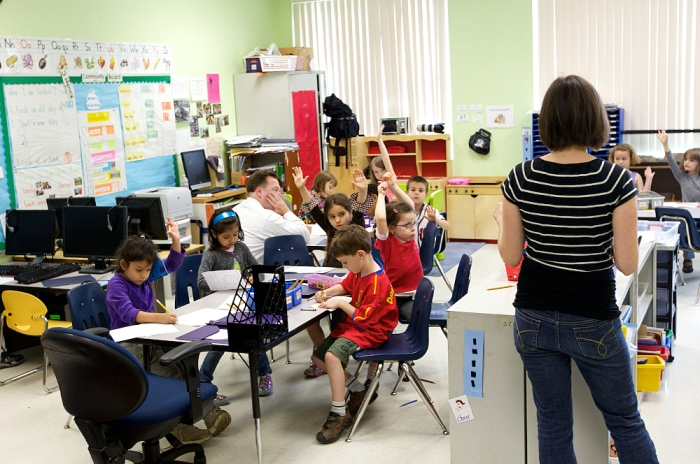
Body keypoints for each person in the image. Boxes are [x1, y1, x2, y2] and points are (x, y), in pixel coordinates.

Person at [494, 74, 657, 464]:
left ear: (547, 122)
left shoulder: (520, 176)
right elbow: (628, 263)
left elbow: (512, 256)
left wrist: (502, 221)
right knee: (624, 419)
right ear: (594, 120)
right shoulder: (616, 180)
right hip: (592, 316)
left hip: (532, 315)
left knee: (552, 422)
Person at [106, 220, 231, 445]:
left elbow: (172, 263)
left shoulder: (142, 275)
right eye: (139, 270)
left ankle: (208, 412)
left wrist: (175, 238)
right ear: (123, 264)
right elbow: (129, 314)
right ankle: (180, 428)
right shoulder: (117, 285)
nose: (144, 275)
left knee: (185, 366)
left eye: (147, 270)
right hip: (129, 343)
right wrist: (160, 318)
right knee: (170, 375)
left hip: (149, 335)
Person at [310, 224, 398, 444]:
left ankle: (339, 413)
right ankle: (358, 390)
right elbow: (345, 286)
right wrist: (327, 292)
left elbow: (364, 319)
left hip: (372, 330)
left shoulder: (377, 282)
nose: (344, 267)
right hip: (356, 326)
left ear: (360, 254)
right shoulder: (359, 270)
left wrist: (339, 303)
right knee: (318, 357)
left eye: (344, 262)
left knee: (331, 357)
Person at [293, 166, 373, 378]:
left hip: (350, 285)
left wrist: (363, 190)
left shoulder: (354, 225)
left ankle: (335, 359)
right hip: (329, 279)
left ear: (349, 213)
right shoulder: (330, 228)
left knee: (340, 322)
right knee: (310, 319)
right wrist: (302, 188)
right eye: (332, 217)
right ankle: (324, 358)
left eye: (341, 214)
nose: (338, 220)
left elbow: (360, 208)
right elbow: (313, 209)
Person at [196, 208, 274, 401]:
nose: (232, 239)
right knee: (219, 344)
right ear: (214, 235)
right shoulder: (211, 254)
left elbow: (258, 270)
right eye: (226, 236)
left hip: (242, 304)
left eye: (235, 234)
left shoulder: (241, 247)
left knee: (255, 336)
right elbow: (201, 283)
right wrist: (223, 282)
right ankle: (203, 382)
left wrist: (253, 277)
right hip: (219, 307)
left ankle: (264, 374)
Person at [233, 169, 310, 263]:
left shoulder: (235, 210)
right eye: (275, 190)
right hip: (256, 275)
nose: (280, 196)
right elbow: (304, 236)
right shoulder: (265, 217)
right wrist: (285, 211)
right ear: (259, 192)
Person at [375, 174, 423, 321]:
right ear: (392, 228)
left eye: (413, 224)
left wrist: (394, 186)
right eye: (407, 225)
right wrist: (381, 195)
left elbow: (410, 206)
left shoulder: (409, 236)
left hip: (414, 295)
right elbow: (381, 218)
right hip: (394, 297)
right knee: (382, 324)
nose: (413, 229)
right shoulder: (387, 241)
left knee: (419, 320)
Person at [657, 129, 700, 273]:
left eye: (692, 160)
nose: (687, 162)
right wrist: (665, 145)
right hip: (688, 216)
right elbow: (671, 163)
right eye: (686, 159)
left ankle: (688, 256)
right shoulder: (682, 177)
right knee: (683, 224)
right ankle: (687, 257)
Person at [405, 175, 450, 248]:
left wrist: (435, 219)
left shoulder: (430, 210)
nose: (416, 193)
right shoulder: (401, 210)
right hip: (406, 250)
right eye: (413, 190)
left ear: (426, 195)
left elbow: (447, 226)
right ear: (406, 193)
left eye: (420, 190)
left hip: (425, 251)